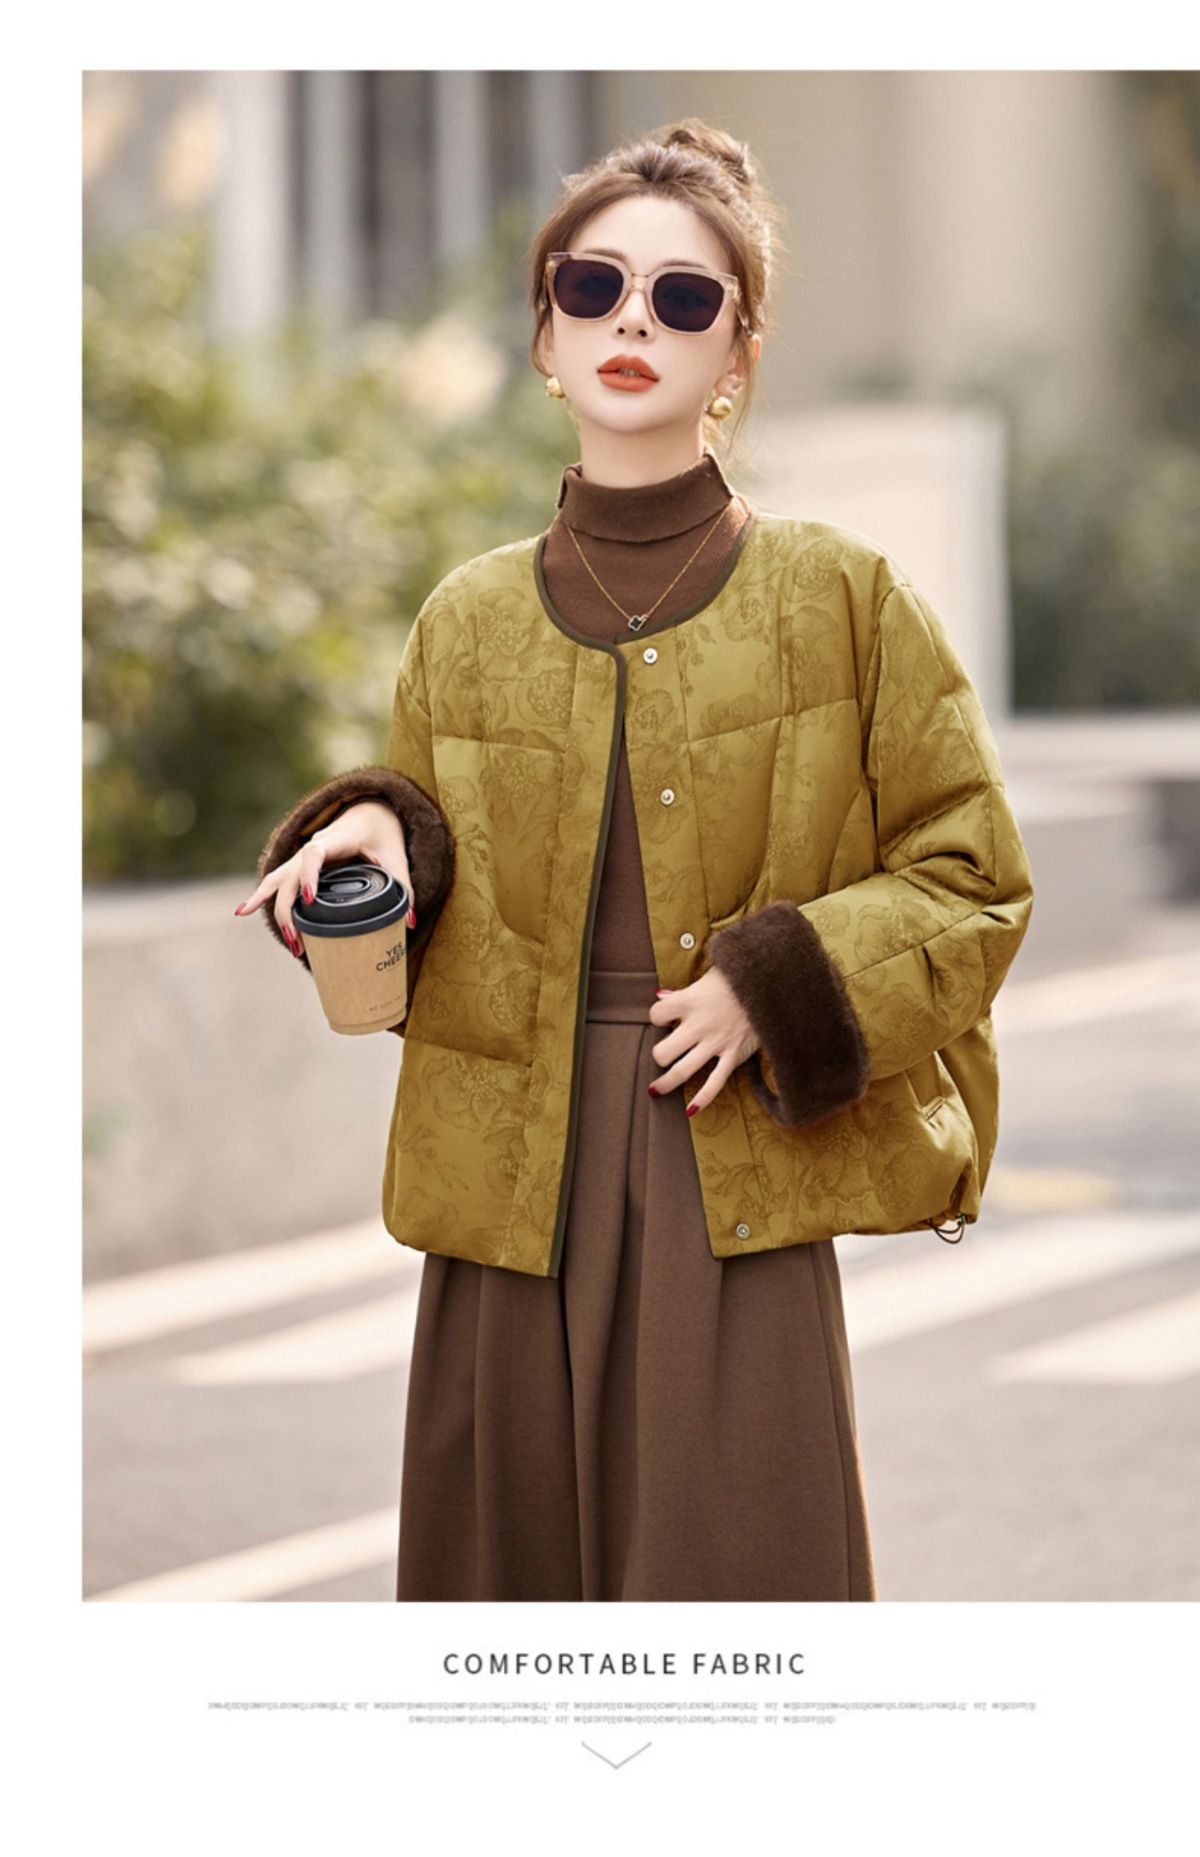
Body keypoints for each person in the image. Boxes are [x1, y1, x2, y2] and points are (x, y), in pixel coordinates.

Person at [234, 119, 1034, 1603]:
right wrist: (379, 828)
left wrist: (769, 985)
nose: (632, 323)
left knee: (738, 1597)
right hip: (509, 1177)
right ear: (546, 335)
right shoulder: (465, 620)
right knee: (510, 1607)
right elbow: (442, 869)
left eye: (682, 297)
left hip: (731, 1157)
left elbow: (974, 879)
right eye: (593, 287)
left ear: (737, 352)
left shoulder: (844, 598)